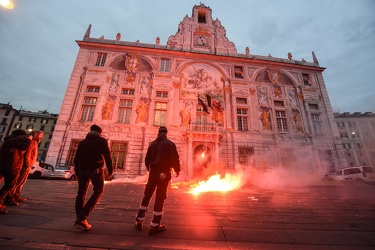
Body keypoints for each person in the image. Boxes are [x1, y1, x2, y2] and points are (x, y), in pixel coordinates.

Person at [135, 126, 180, 235]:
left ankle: (139, 219)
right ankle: (155, 225)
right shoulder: (170, 144)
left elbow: (147, 159)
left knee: (147, 195)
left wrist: (149, 169)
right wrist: (177, 170)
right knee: (160, 197)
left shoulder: (153, 144)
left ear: (158, 133)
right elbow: (175, 158)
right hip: (164, 173)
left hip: (153, 172)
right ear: (166, 134)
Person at [73, 124, 113, 230]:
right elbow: (107, 156)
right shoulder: (101, 141)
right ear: (99, 133)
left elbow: (76, 157)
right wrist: (110, 170)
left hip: (82, 170)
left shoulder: (83, 142)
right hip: (95, 169)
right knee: (98, 191)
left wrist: (77, 170)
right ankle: (82, 218)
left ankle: (80, 219)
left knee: (81, 193)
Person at [6, 130, 44, 203]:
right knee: (18, 182)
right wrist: (27, 165)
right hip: (26, 165)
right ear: (36, 135)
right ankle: (11, 197)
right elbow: (27, 154)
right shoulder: (31, 142)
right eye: (41, 135)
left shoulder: (34, 142)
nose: (42, 137)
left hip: (27, 164)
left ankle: (15, 196)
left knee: (21, 182)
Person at [0, 129, 32, 214]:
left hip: (8, 166)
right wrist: (29, 139)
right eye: (24, 136)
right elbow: (24, 147)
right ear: (20, 135)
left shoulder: (11, 141)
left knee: (8, 186)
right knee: (9, 186)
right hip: (11, 167)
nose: (25, 138)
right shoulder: (13, 141)